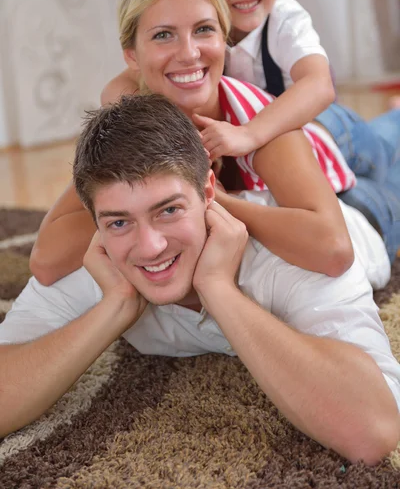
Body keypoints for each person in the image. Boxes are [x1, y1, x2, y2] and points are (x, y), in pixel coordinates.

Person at [1, 94, 399, 464]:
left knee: (387, 138)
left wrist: (220, 290)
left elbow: (374, 430)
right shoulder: (100, 262)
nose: (151, 246)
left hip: (369, 214)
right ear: (96, 223)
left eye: (168, 210)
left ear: (209, 190)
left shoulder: (290, 260)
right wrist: (115, 307)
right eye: (120, 221)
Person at [31, 0, 358, 287]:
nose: (189, 54)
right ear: (132, 54)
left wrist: (206, 199)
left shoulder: (258, 120)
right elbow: (45, 262)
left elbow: (334, 251)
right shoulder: (135, 126)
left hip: (346, 173)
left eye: (204, 29)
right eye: (163, 35)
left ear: (223, 36)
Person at [176, 0, 400, 263]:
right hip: (292, 151)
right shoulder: (195, 29)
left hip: (331, 130)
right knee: (356, 193)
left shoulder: (283, 18)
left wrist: (249, 134)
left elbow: (319, 85)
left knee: (385, 147)